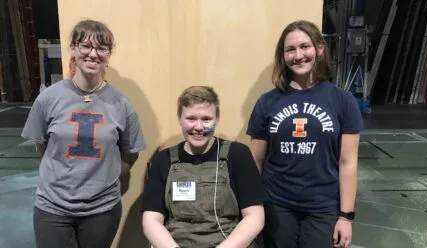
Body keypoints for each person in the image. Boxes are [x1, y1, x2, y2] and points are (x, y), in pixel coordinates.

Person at [21, 19, 146, 248]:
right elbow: (43, 146)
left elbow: (130, 153)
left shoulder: (122, 104)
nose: (93, 54)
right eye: (85, 46)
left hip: (101, 209)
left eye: (101, 48)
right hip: (52, 206)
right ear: (73, 49)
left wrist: (103, 178)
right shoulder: (48, 98)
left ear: (109, 54)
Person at [246, 20, 363, 248]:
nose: (298, 55)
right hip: (277, 203)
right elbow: (255, 161)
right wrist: (251, 209)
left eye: (305, 46)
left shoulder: (342, 100)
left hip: (323, 206)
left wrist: (346, 217)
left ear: (319, 48)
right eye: (290, 49)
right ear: (283, 55)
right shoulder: (268, 102)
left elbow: (348, 163)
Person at [141, 86, 266, 248]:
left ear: (217, 119)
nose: (199, 127)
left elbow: (255, 217)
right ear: (180, 118)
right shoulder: (163, 160)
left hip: (228, 242)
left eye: (206, 119)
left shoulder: (237, 155)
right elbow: (151, 220)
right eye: (191, 118)